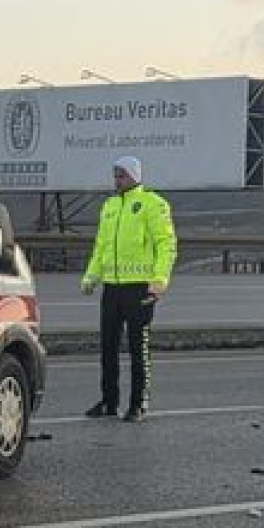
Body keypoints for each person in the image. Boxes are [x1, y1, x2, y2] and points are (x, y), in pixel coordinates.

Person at [80, 155, 177, 422]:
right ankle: (109, 401)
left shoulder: (153, 204)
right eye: (115, 175)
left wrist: (158, 281)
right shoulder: (109, 206)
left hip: (140, 290)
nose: (117, 180)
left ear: (135, 175)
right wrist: (91, 277)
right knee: (108, 348)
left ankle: (138, 403)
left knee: (138, 347)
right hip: (112, 289)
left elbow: (165, 245)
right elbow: (101, 247)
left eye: (122, 175)